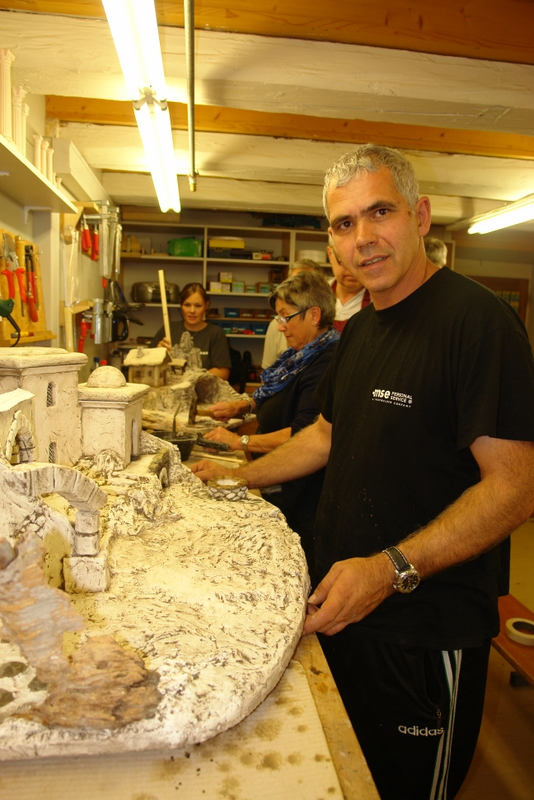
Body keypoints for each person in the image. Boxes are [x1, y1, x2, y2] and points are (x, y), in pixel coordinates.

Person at [192, 144, 534, 800]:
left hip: (422, 632)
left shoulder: (477, 323)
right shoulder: (364, 330)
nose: (363, 238)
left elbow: (516, 488)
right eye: (344, 223)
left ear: (420, 216)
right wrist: (231, 479)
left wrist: (387, 570)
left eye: (380, 212)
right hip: (344, 608)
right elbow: (325, 436)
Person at [198, 270, 339, 580]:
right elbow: (277, 399)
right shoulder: (300, 356)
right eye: (279, 317)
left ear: (314, 315)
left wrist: (240, 442)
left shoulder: (326, 362)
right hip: (283, 485)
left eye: (286, 316)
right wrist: (243, 406)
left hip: (303, 499)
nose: (280, 326)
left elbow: (303, 434)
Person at [149, 282, 231, 380]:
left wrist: (192, 378)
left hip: (202, 388)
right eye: (187, 305)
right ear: (181, 305)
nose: (192, 310)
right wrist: (157, 355)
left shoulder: (215, 333)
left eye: (198, 306)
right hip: (171, 387)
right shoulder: (168, 329)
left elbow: (223, 373)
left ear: (206, 305)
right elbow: (147, 366)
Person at [261, 259, 324, 369]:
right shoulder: (276, 325)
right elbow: (268, 371)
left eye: (303, 285)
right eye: (291, 283)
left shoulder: (329, 347)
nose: (280, 327)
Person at [326, 237, 371, 331]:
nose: (351, 269)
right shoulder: (314, 295)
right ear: (330, 254)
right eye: (343, 260)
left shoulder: (379, 301)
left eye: (358, 260)